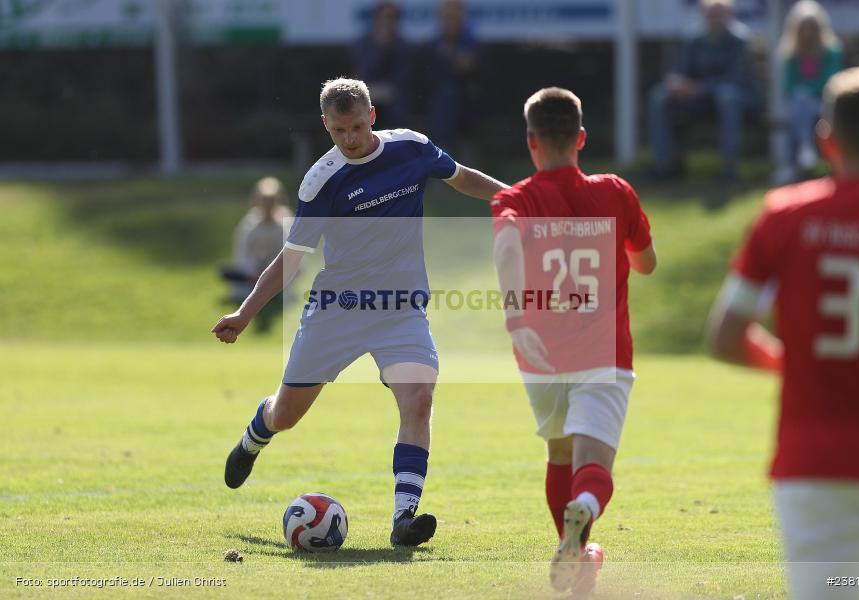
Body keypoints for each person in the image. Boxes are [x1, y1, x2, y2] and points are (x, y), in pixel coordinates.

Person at [212, 77, 508, 547]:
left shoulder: (411, 148)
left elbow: (460, 175)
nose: (349, 139)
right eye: (338, 130)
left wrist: (513, 199)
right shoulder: (322, 179)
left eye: (355, 127)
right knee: (286, 414)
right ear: (326, 125)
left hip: (400, 310)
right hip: (337, 311)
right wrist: (245, 313)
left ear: (372, 116)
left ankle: (403, 518)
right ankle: (253, 438)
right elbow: (291, 258)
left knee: (419, 399)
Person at [706, 66, 859, 600]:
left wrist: (784, 361)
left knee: (840, 588)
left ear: (825, 139)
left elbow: (726, 335)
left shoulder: (786, 216)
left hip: (818, 465)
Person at [491, 87, 657, 595]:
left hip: (540, 358)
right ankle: (583, 515)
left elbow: (506, 245)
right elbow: (646, 262)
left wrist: (518, 320)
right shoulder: (615, 192)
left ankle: (578, 553)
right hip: (603, 355)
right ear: (581, 137)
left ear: (531, 141)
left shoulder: (514, 198)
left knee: (559, 455)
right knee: (592, 467)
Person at [648, 0, 760, 182]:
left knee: (727, 96)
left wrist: (700, 88)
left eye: (719, 15)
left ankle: (730, 167)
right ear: (703, 16)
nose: (715, 19)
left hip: (740, 102)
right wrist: (676, 82)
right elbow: (680, 70)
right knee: (659, 97)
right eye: (711, 15)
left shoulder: (741, 41)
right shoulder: (693, 39)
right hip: (701, 102)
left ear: (729, 16)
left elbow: (738, 79)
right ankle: (664, 164)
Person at [773, 0, 843, 184]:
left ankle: (803, 151)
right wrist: (803, 91)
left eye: (812, 27)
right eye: (804, 27)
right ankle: (804, 150)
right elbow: (787, 84)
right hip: (800, 103)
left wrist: (805, 89)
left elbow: (830, 82)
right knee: (799, 105)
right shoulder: (791, 53)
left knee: (802, 105)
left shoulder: (832, 50)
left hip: (825, 102)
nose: (808, 32)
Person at [221, 177, 292, 303]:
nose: (268, 205)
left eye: (271, 201)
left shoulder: (285, 223)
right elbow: (241, 252)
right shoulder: (250, 223)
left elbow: (290, 256)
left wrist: (271, 272)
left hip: (276, 273)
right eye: (264, 201)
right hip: (253, 271)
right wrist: (252, 271)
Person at [426, 0, 481, 154]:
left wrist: (451, 55)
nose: (450, 21)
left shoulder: (471, 40)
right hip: (440, 106)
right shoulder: (434, 43)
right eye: (447, 17)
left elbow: (468, 65)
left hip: (467, 103)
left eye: (454, 16)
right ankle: (440, 169)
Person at [351, 2, 412, 131]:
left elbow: (403, 75)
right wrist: (380, 47)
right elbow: (362, 71)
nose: (387, 22)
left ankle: (396, 147)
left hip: (393, 94)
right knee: (361, 109)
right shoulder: (362, 43)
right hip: (368, 91)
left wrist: (389, 90)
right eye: (383, 17)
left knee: (398, 110)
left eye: (391, 18)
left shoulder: (403, 45)